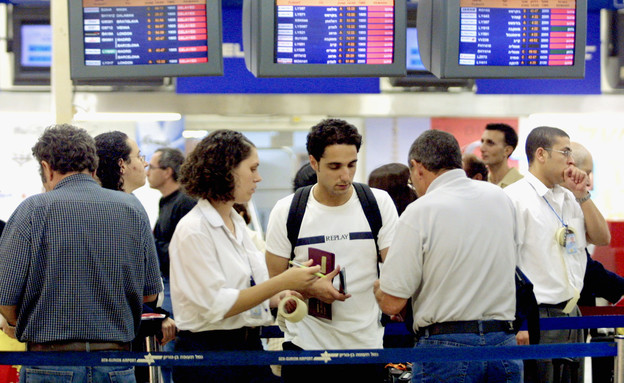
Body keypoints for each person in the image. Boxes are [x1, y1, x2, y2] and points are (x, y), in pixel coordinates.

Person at [0, 124, 162, 382]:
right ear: (94, 168)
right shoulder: (132, 209)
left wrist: (26, 322)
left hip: (48, 363)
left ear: (46, 168)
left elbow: (6, 297)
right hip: (116, 364)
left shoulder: (31, 211)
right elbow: (150, 293)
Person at [169, 129, 320, 383]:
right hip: (209, 357)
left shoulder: (235, 221)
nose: (258, 178)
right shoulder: (193, 229)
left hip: (247, 348)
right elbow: (216, 306)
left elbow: (251, 287)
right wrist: (282, 282)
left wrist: (284, 295)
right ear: (226, 170)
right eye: (252, 169)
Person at [374, 129, 521, 383]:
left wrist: (378, 287)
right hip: (504, 343)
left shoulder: (420, 210)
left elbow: (392, 303)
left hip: (446, 347)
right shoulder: (500, 198)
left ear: (417, 167)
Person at [265, 118, 398, 383]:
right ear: (313, 163)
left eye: (352, 165)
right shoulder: (288, 210)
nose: (345, 175)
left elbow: (396, 271)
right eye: (334, 166)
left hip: (366, 348)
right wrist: (307, 289)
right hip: (306, 350)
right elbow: (274, 288)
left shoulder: (377, 203)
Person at [504, 126, 611, 383]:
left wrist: (583, 194)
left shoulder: (570, 197)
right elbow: (505, 265)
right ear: (541, 154)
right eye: (565, 152)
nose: (571, 160)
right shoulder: (514, 198)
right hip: (536, 315)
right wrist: (519, 321)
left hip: (572, 313)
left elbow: (602, 238)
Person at [147, 147, 197, 310]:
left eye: (152, 168)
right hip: (166, 280)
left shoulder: (185, 203)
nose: (147, 173)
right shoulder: (165, 201)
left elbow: (186, 249)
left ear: (167, 172)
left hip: (179, 284)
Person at [480, 123, 523, 187]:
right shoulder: (481, 184)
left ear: (507, 150)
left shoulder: (522, 185)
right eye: (482, 141)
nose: (482, 148)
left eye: (490, 143)